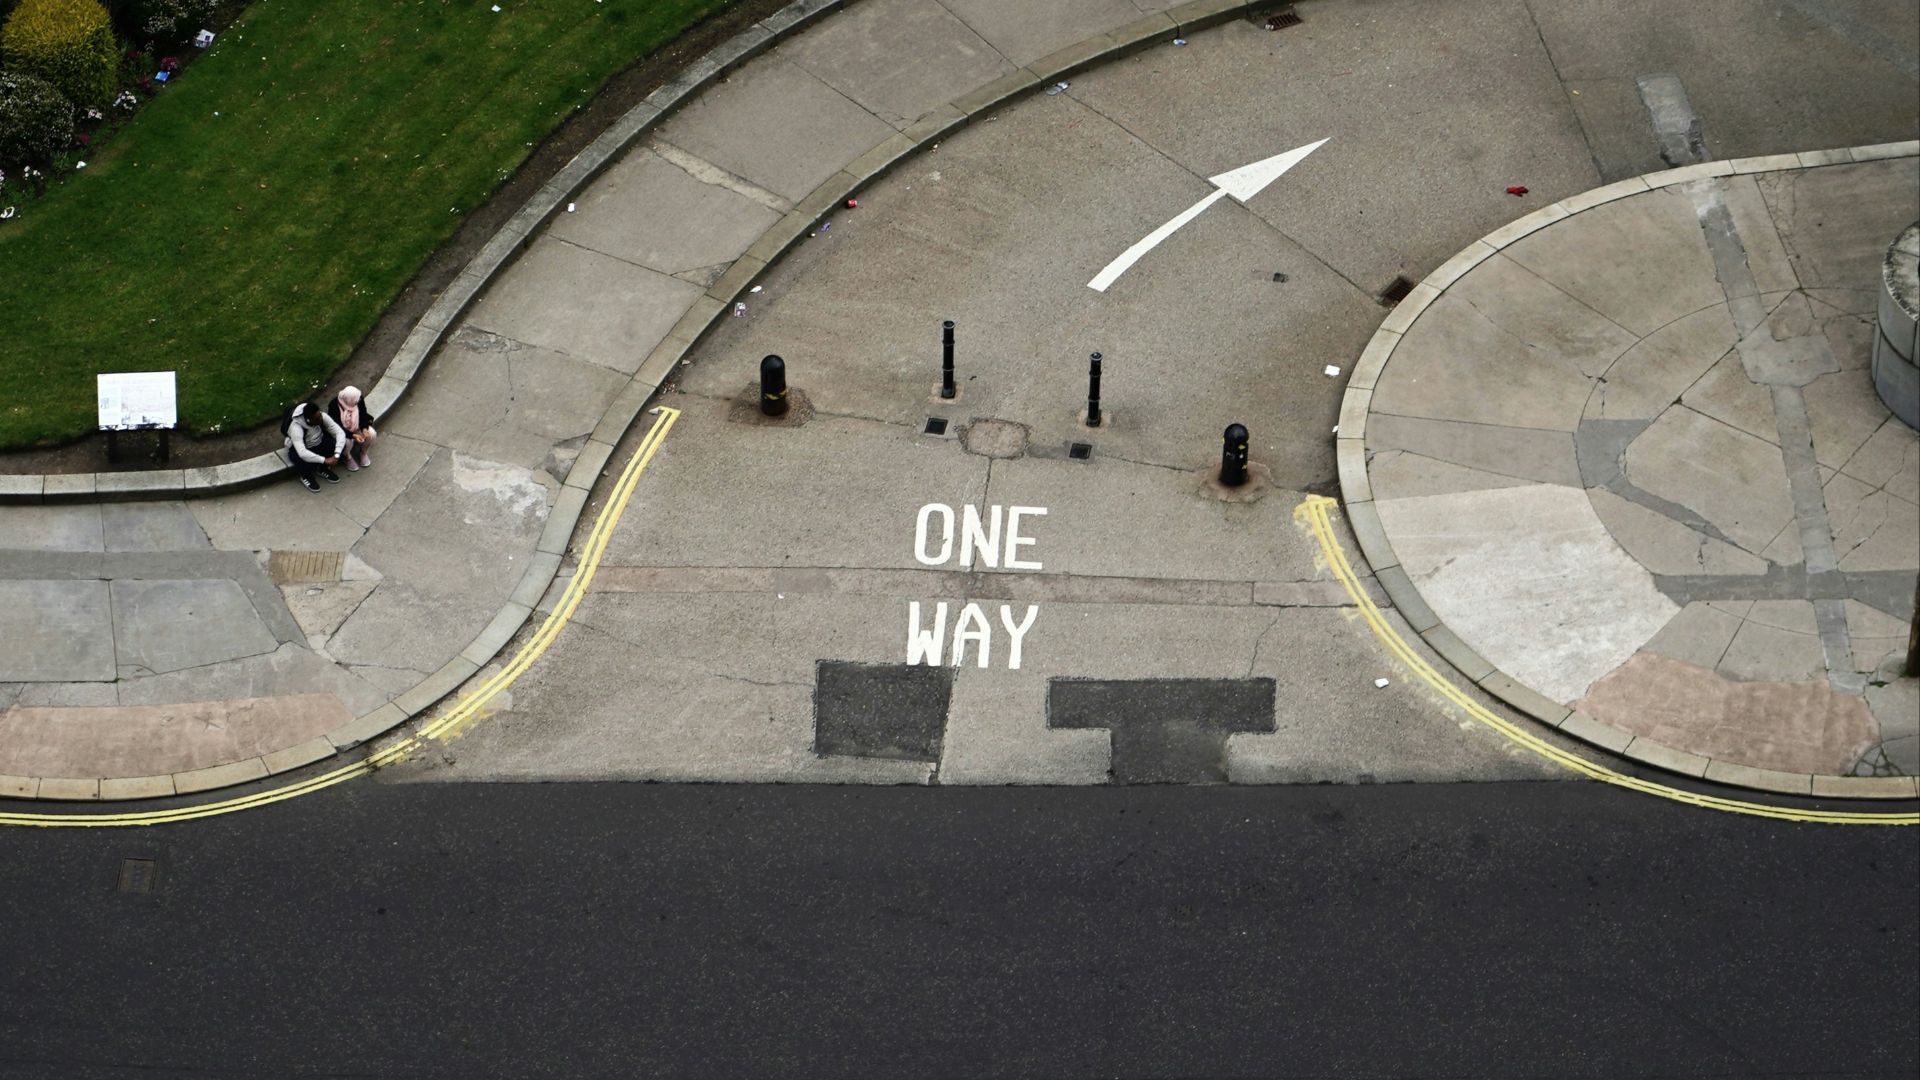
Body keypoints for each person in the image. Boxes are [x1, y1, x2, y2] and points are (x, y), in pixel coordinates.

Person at [285, 401, 346, 492]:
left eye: (320, 415)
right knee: (300, 460)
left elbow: (339, 433)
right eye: (317, 419)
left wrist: (336, 454)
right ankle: (306, 476)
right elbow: (302, 453)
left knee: (339, 444)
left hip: (319, 442)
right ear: (308, 420)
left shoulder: (321, 416)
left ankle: (322, 469)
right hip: (303, 449)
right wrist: (325, 460)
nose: (321, 419)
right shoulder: (296, 428)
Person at [328, 385, 378, 471]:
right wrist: (352, 435)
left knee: (371, 434)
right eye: (356, 400)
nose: (358, 401)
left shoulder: (358, 399)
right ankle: (348, 457)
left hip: (357, 427)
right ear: (349, 399)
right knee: (347, 443)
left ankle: (363, 452)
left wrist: (364, 429)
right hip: (343, 432)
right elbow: (337, 427)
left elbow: (363, 414)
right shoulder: (333, 406)